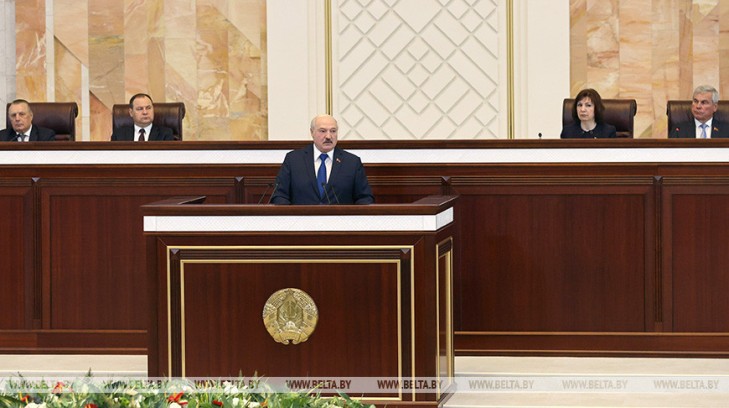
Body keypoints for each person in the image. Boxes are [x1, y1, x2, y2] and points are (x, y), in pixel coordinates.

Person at [270, 114, 374, 205]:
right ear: (312, 132)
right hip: (302, 220)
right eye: (323, 131)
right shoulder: (294, 160)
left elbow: (365, 198)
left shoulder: (352, 162)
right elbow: (279, 196)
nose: (328, 136)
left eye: (333, 131)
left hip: (339, 221)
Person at [111, 93, 175, 141]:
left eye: (148, 108)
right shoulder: (119, 134)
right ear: (131, 112)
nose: (145, 112)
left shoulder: (165, 134)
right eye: (140, 109)